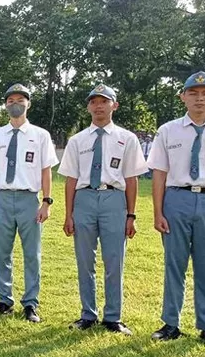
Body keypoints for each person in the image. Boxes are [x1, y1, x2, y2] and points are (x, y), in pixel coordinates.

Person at [58, 84, 147, 336]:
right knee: (85, 260)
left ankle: (113, 317)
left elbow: (131, 179)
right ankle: (88, 313)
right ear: (88, 107)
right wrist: (69, 214)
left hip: (114, 200)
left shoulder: (127, 138)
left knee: (114, 260)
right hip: (84, 199)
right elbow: (71, 179)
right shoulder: (77, 140)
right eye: (94, 102)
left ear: (114, 105)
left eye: (104, 101)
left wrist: (131, 214)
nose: (98, 106)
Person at [148, 71, 205, 342]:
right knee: (174, 264)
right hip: (177, 199)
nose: (200, 98)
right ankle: (170, 323)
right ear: (182, 97)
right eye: (193, 93)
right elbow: (160, 173)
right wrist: (158, 211)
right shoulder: (168, 130)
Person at [0, 84, 59, 323]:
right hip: (3, 199)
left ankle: (30, 303)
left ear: (28, 103)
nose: (14, 103)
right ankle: (4, 300)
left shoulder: (40, 135)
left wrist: (46, 202)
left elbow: (46, 171)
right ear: (5, 105)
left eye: (20, 99)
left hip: (29, 199)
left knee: (32, 254)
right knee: (1, 252)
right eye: (10, 100)